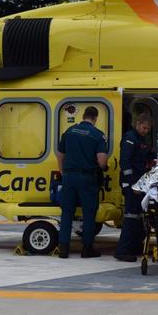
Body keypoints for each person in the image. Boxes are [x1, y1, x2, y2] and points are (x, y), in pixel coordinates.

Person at [55, 106, 108, 258]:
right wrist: (104, 166)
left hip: (69, 178)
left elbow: (59, 154)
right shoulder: (98, 135)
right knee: (89, 213)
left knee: (67, 213)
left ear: (83, 116)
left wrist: (63, 173)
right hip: (87, 178)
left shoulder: (69, 131)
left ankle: (63, 249)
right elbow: (102, 160)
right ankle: (87, 249)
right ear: (95, 118)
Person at [114, 113, 154, 262]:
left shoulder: (141, 139)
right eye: (144, 128)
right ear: (137, 124)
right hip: (131, 184)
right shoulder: (130, 138)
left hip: (139, 183)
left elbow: (144, 155)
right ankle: (122, 250)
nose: (145, 131)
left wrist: (153, 158)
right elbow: (125, 162)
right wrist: (131, 184)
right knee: (131, 217)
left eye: (147, 129)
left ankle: (136, 246)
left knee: (139, 217)